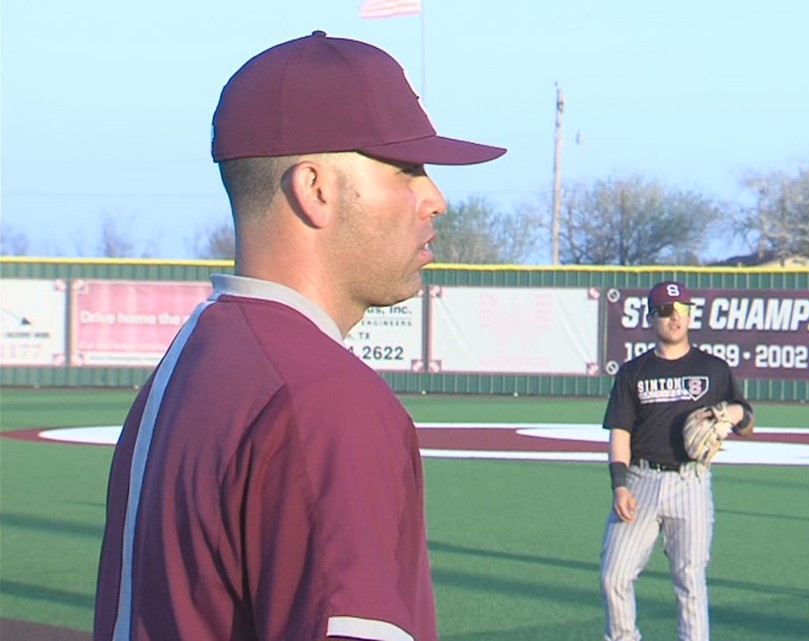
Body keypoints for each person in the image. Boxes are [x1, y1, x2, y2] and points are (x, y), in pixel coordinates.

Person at [93, 31, 505, 641]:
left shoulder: (196, 356)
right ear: (315, 189)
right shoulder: (323, 396)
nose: (435, 198)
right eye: (407, 169)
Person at [600, 280, 755, 641]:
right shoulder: (633, 372)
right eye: (666, 310)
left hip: (691, 481)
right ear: (651, 317)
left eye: (682, 309)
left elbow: (748, 423)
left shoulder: (713, 369)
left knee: (690, 581)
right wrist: (620, 486)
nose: (675, 317)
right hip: (640, 481)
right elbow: (620, 433)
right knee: (614, 576)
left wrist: (734, 413)